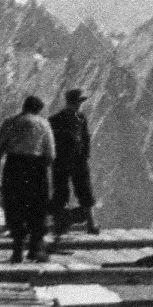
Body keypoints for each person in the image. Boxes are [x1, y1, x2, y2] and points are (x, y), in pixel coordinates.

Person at [0, 94, 55, 262]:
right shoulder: (44, 124)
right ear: (38, 109)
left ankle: (18, 248)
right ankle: (35, 249)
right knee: (37, 208)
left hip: (14, 166)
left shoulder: (11, 122)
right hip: (36, 168)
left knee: (15, 207)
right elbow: (50, 154)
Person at [48, 87, 98, 237]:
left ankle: (90, 224)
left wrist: (85, 155)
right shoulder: (55, 120)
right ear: (72, 102)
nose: (80, 105)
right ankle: (60, 224)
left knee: (85, 191)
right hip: (62, 161)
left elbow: (86, 138)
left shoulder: (81, 118)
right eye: (78, 102)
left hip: (77, 161)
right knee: (61, 192)